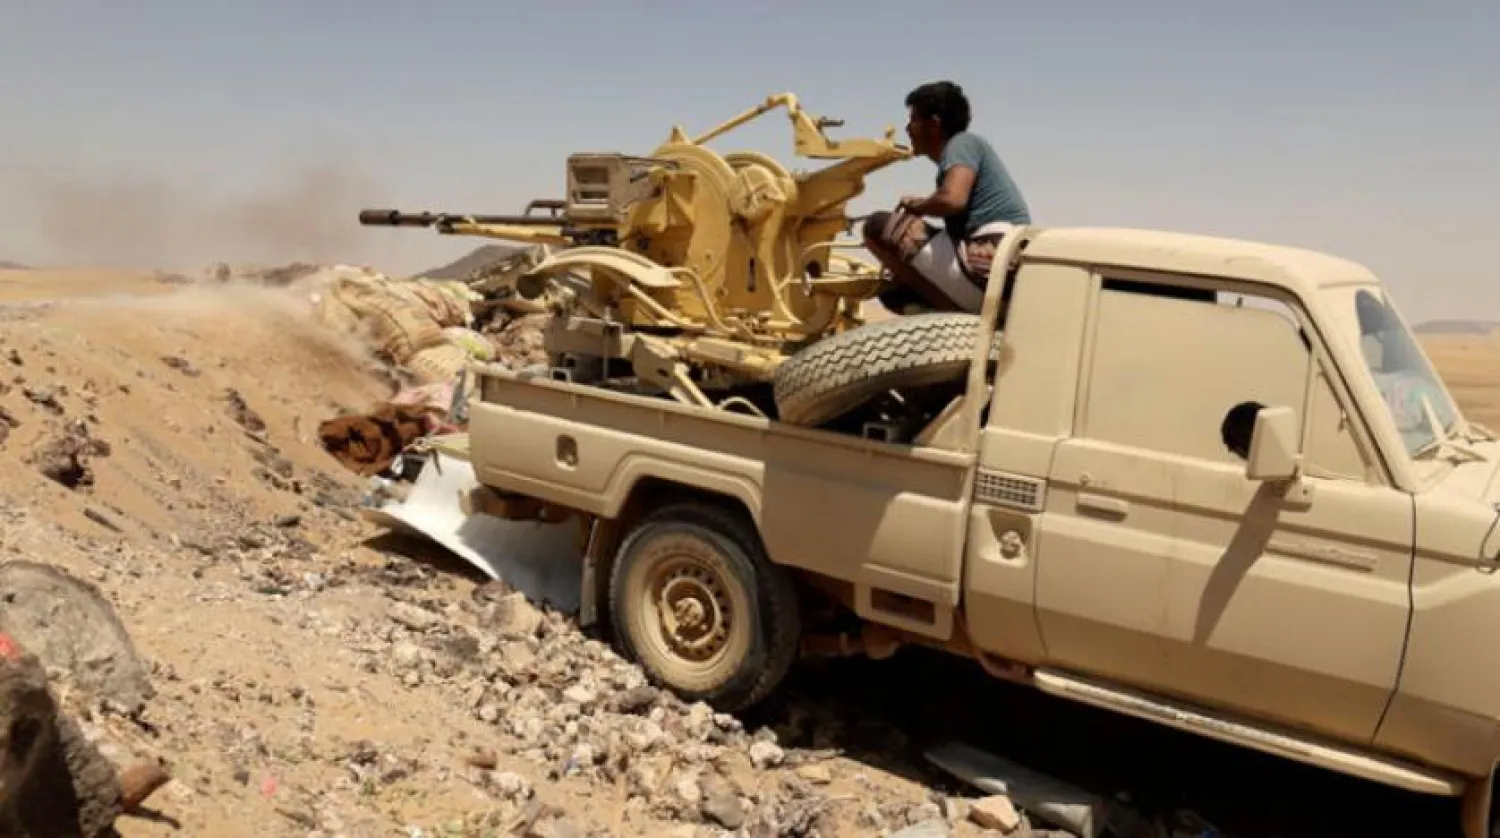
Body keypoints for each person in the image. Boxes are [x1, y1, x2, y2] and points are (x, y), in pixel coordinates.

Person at [862, 81, 1031, 314]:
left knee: (877, 226)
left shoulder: (962, 143)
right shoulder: (966, 149)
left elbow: (952, 199)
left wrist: (917, 205)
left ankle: (957, 316)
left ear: (934, 124)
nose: (908, 128)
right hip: (1002, 274)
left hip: (988, 265)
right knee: (893, 293)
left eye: (913, 120)